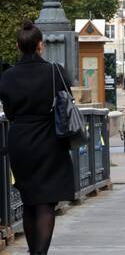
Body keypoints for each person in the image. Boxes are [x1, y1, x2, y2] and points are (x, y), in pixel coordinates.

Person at [0, 19, 75, 255]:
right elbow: (66, 101)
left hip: (20, 141)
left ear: (18, 46)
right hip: (49, 140)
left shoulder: (7, 76)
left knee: (29, 199)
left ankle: (34, 252)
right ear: (40, 45)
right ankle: (39, 254)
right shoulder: (55, 71)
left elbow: (9, 111)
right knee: (46, 202)